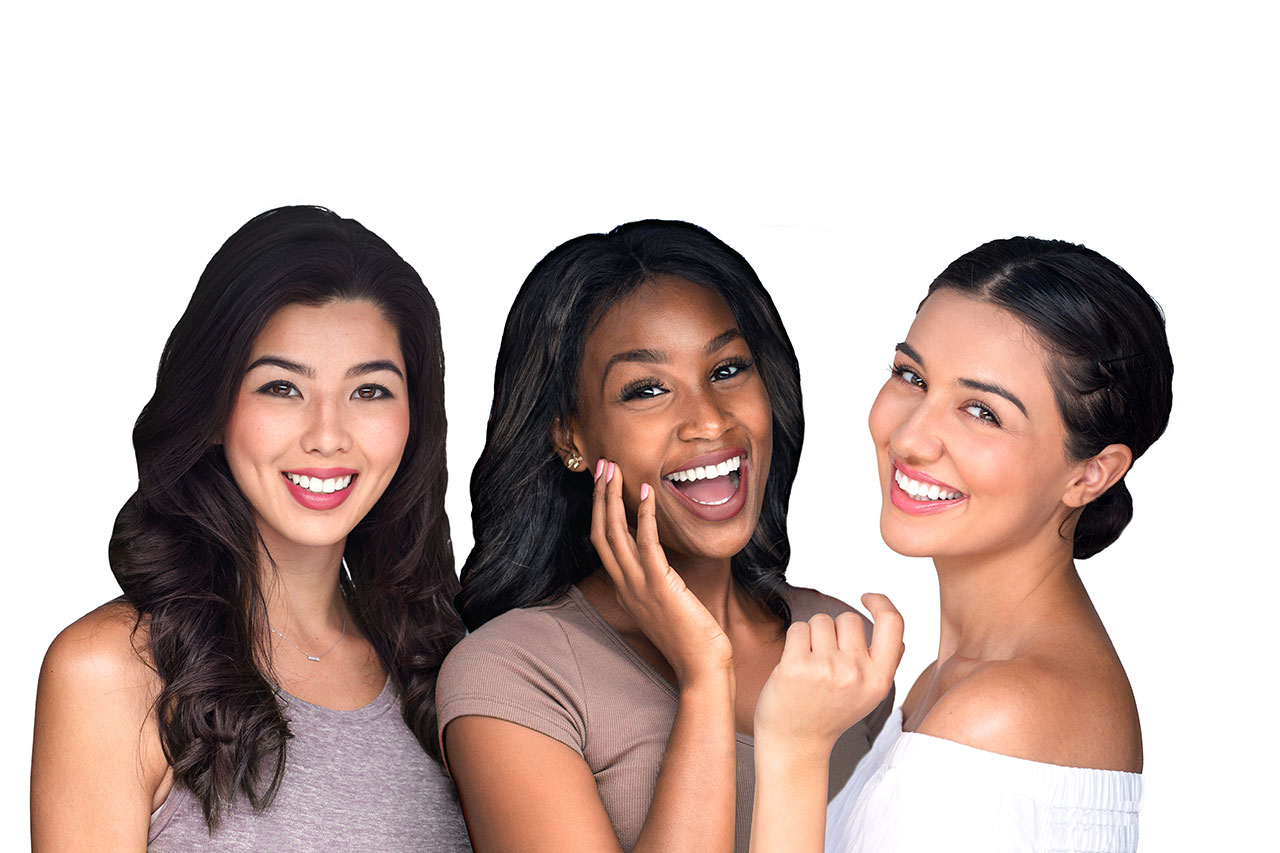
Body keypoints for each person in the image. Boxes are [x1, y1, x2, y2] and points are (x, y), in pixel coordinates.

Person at [435, 219, 900, 852]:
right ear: (571, 438)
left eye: (729, 369)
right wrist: (705, 677)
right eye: (647, 390)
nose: (709, 419)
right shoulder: (515, 675)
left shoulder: (839, 649)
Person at [31, 206, 472, 851]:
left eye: (370, 391)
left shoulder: (445, 667)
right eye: (281, 388)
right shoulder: (115, 670)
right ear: (214, 406)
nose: (327, 435)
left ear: (416, 419)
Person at [750, 237, 1172, 852]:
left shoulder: (1004, 714)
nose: (912, 437)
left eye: (981, 411)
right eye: (911, 376)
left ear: (1092, 474)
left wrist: (793, 749)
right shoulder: (947, 684)